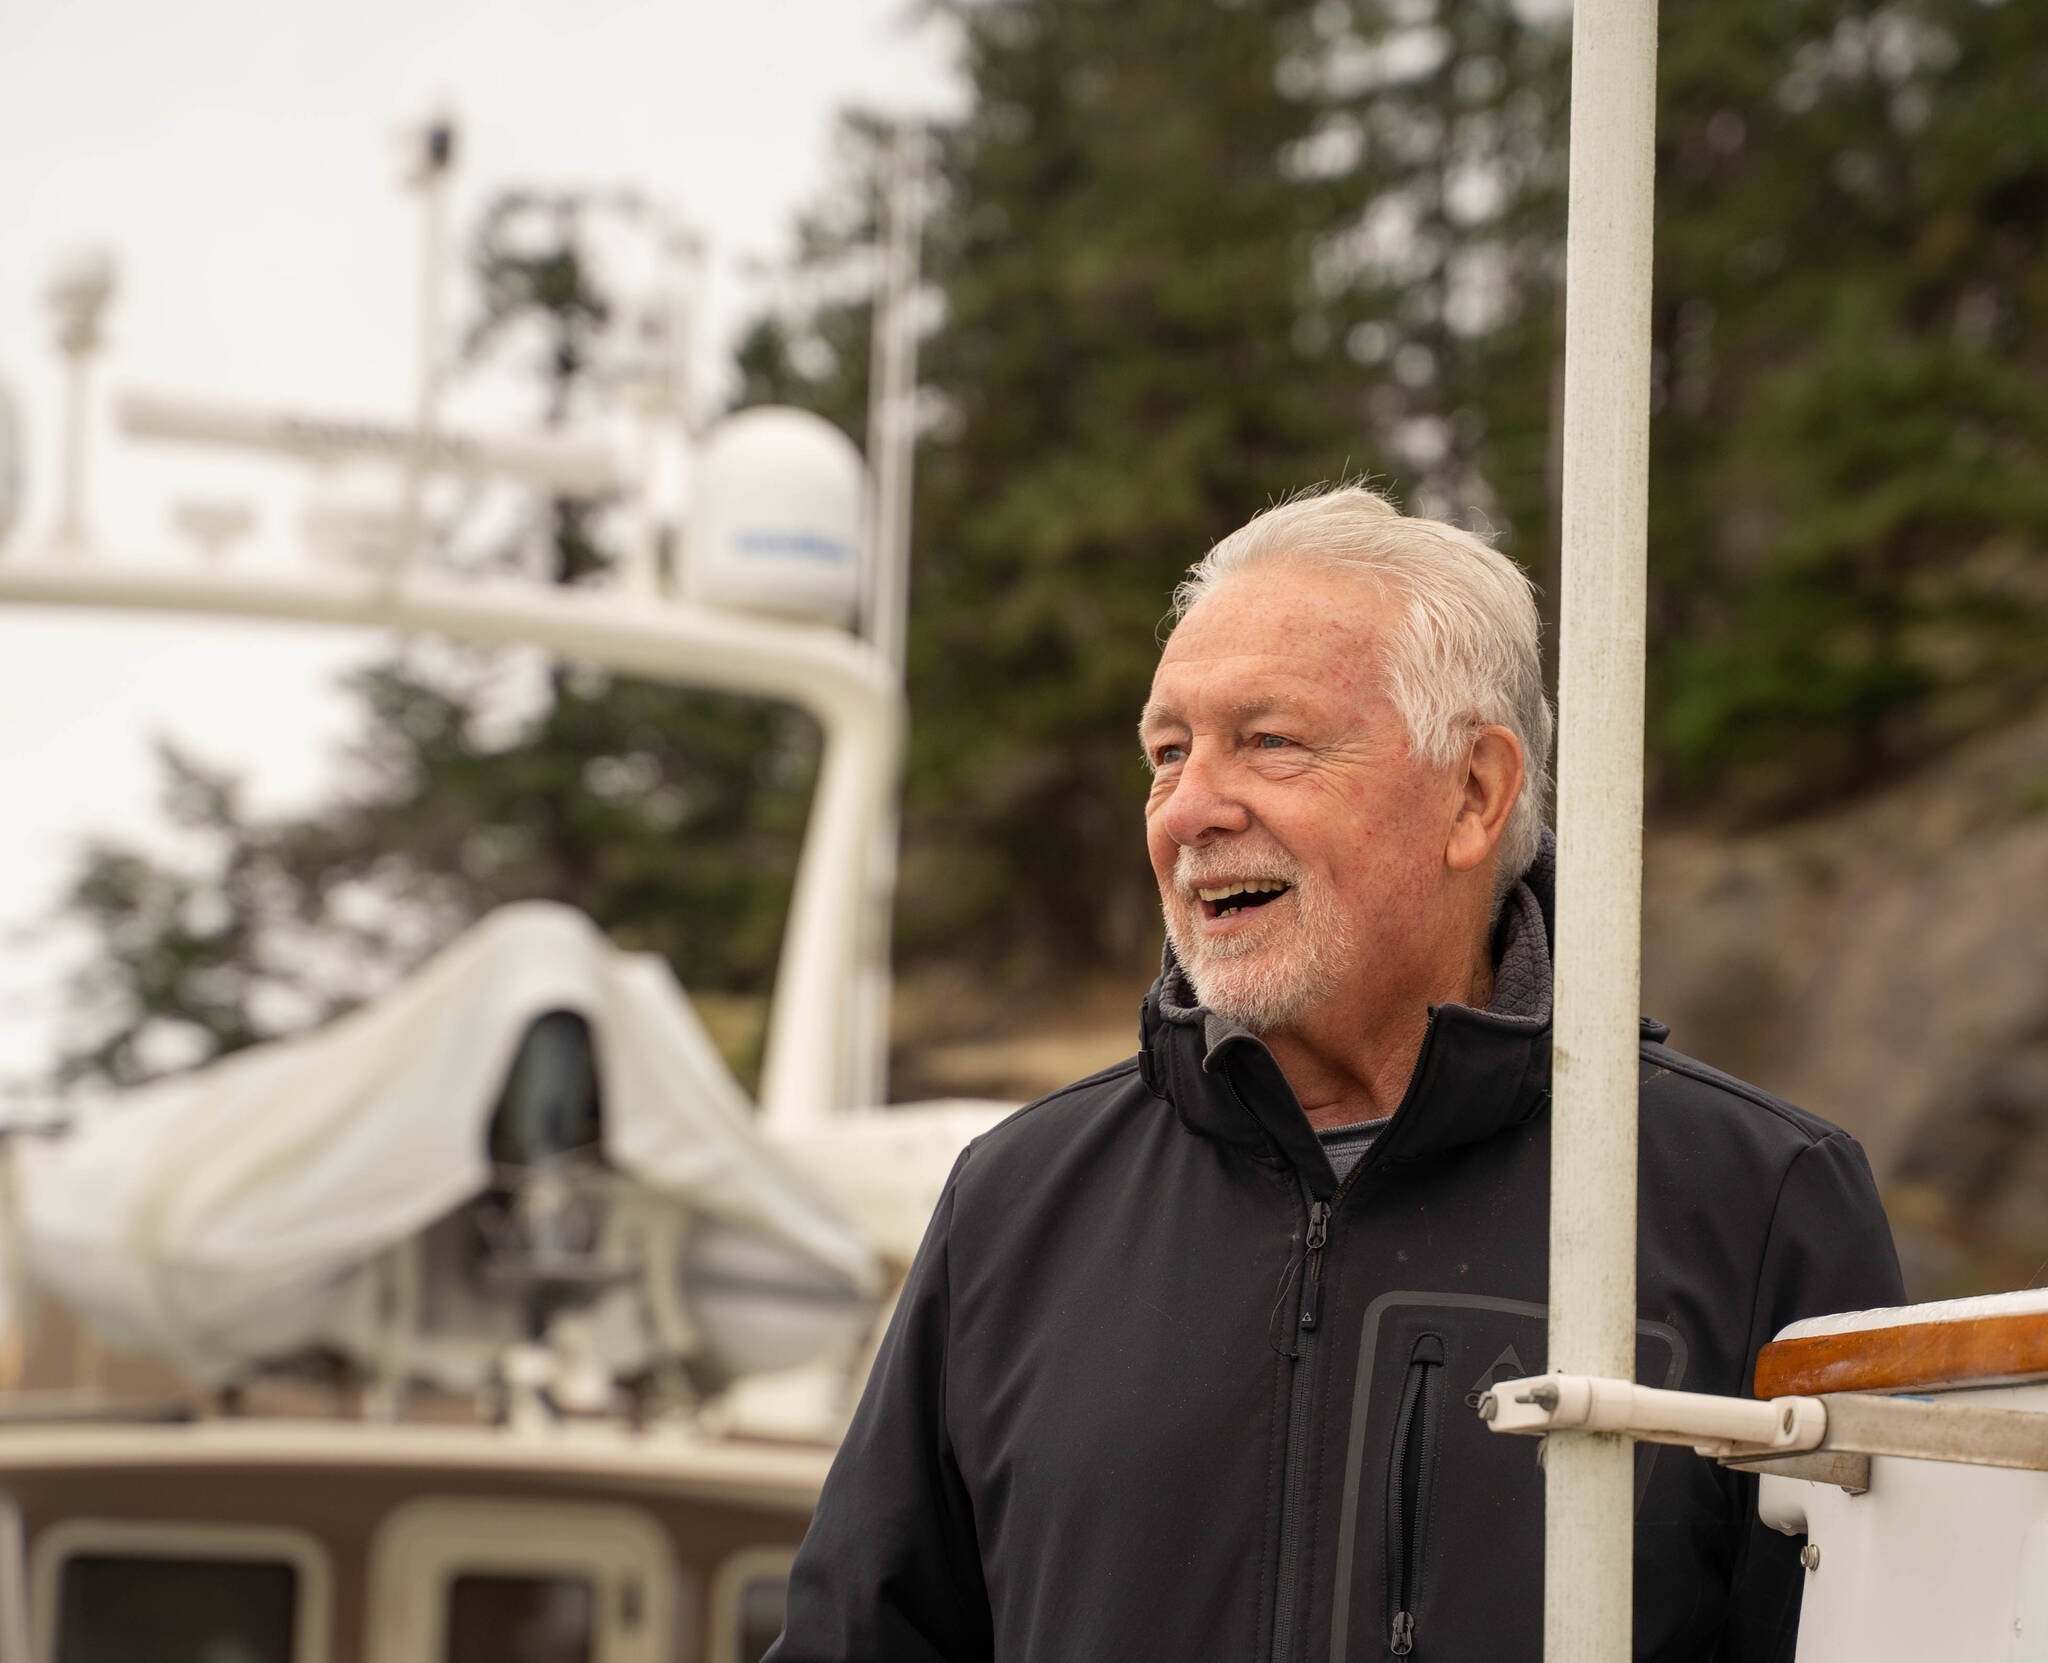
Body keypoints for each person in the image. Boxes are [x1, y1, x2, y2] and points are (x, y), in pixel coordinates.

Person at [768, 486, 1902, 1663]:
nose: (1189, 810)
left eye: (1269, 741)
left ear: (1472, 794)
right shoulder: (1013, 1205)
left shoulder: (1758, 1206)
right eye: (1166, 752)